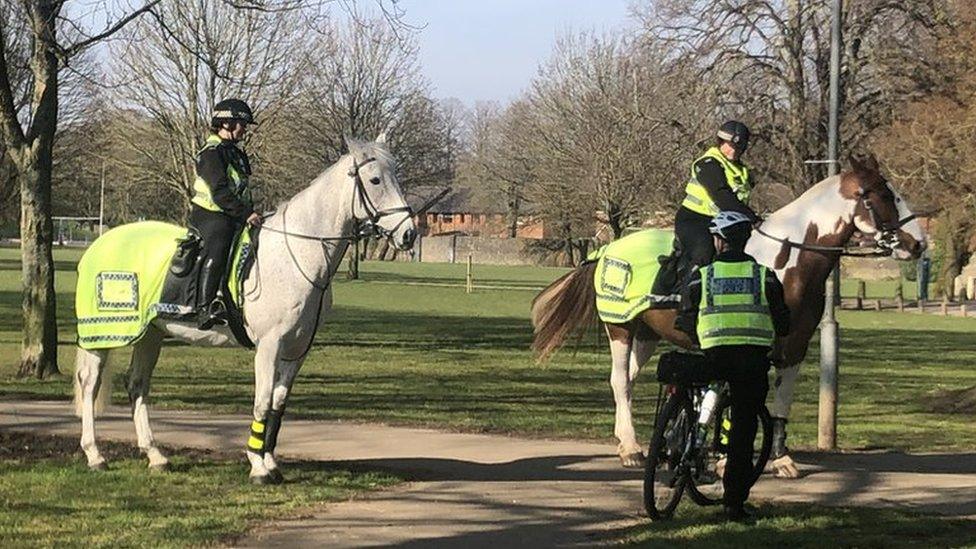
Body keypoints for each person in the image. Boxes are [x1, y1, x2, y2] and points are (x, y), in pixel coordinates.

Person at [675, 211, 790, 522]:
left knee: (695, 390)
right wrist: (777, 352)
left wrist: (698, 339)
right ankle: (733, 504)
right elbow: (783, 322)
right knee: (742, 431)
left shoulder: (702, 276)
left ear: (719, 241)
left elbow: (685, 320)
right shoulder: (765, 276)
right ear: (745, 240)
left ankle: (687, 438)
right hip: (752, 362)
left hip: (714, 357)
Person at [190, 98, 262, 329]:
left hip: (235, 213)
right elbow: (219, 191)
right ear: (227, 123)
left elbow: (242, 187)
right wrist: (245, 213)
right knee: (219, 244)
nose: (245, 130)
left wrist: (251, 212)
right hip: (212, 215)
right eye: (242, 124)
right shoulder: (211, 153)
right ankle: (204, 308)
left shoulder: (236, 154)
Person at [675, 121, 760, 272]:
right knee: (704, 253)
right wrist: (753, 218)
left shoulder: (741, 170)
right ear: (721, 142)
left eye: (739, 147)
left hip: (726, 223)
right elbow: (722, 196)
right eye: (730, 145)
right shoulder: (708, 164)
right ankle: (686, 288)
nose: (734, 150)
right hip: (695, 221)